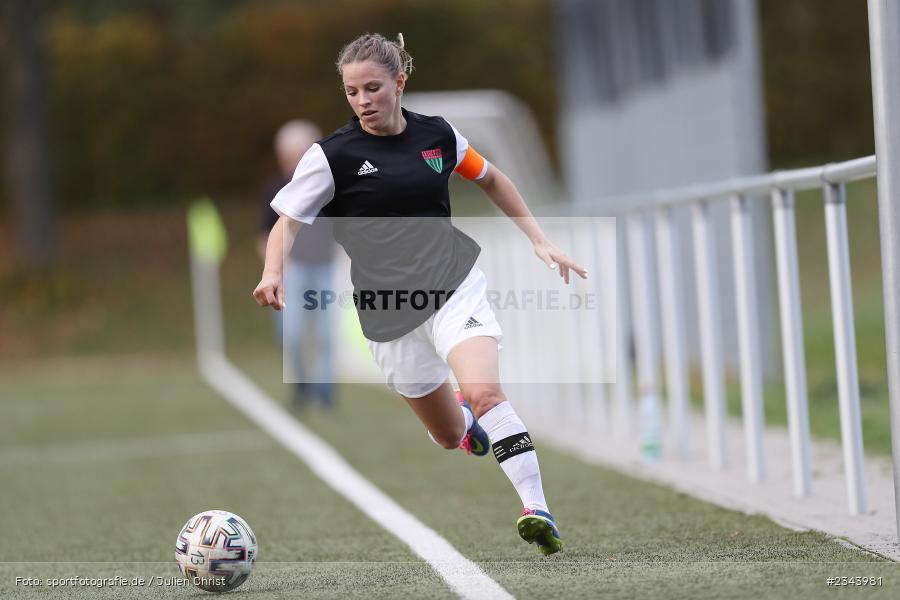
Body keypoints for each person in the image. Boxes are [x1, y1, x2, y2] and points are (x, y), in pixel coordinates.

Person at [253, 33, 587, 556]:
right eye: (351, 92)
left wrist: (539, 239)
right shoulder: (331, 156)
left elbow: (491, 177)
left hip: (453, 286)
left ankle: (536, 509)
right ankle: (466, 423)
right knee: (451, 435)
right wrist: (274, 272)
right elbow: (286, 223)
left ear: (399, 83)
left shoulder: (437, 136)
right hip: (388, 315)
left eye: (372, 88)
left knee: (485, 391)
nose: (363, 101)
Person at [258, 120, 336, 410]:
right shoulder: (274, 189)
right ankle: (302, 387)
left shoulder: (328, 187)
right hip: (294, 272)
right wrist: (275, 269)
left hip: (327, 269)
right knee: (290, 336)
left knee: (327, 335)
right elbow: (265, 234)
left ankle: (325, 394)